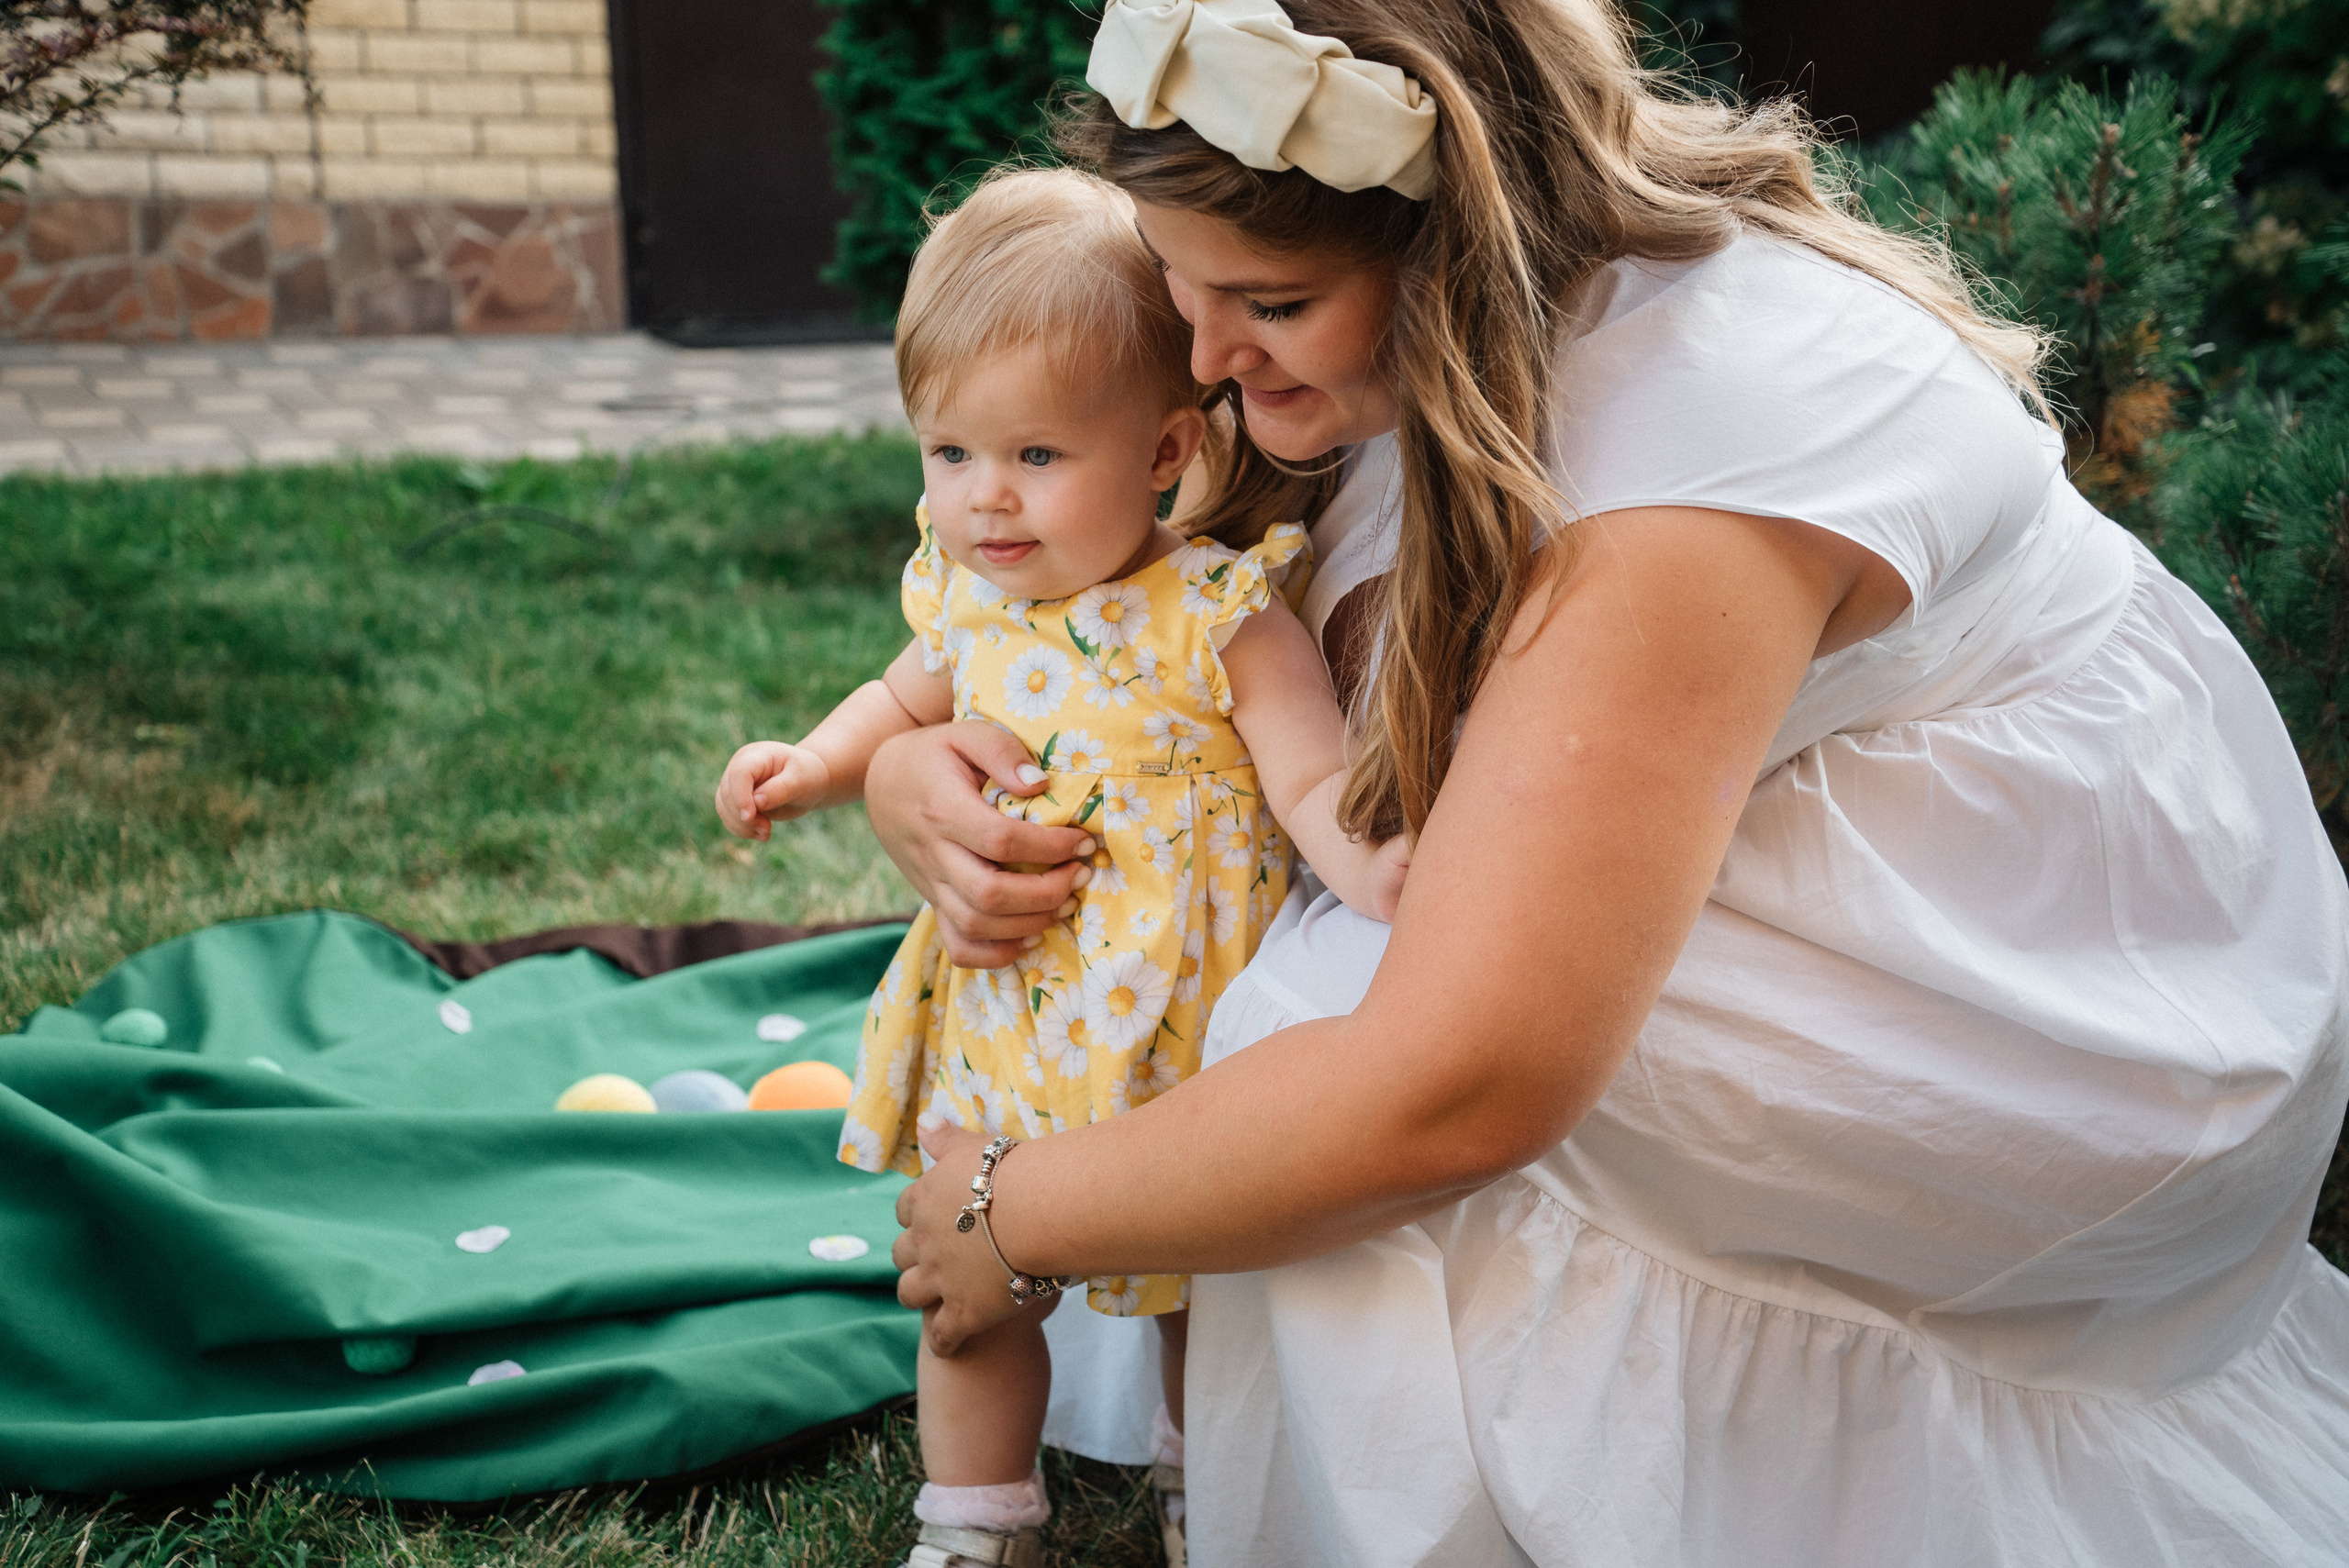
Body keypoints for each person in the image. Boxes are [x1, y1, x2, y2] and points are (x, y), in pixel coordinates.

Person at [870, 1, 2349, 1563]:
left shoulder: (1696, 451)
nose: (1203, 354)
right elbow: (1128, 640)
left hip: (2034, 995)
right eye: (1180, 280)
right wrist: (913, 770)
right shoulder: (1369, 347)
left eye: (1271, 302)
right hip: (1807, 880)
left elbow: (1470, 1081)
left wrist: (1013, 1209)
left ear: (1459, 242)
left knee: (1329, 1020)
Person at [713, 166, 1406, 1568]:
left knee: (1199, 1292)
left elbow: (1308, 773)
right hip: (1005, 1007)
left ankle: (1205, 1483)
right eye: (949, 451)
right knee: (969, 1285)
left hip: (1177, 1021)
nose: (986, 498)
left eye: (1036, 453)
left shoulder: (1216, 610)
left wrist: (1375, 862)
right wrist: (815, 760)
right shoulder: (969, 599)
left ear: (1162, 449)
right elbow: (899, 697)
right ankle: (974, 1518)